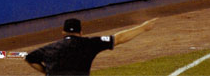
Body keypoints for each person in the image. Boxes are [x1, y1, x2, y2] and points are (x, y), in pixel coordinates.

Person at [25, 18, 156, 76]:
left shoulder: (50, 48)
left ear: (63, 33)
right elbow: (119, 38)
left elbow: (29, 57)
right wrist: (143, 28)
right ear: (81, 33)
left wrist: (46, 72)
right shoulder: (90, 43)